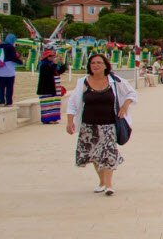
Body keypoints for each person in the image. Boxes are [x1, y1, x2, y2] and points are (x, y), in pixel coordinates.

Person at [65, 53, 138, 196]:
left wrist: (125, 106)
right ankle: (102, 182)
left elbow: (131, 93)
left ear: (105, 65)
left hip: (109, 124)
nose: (96, 65)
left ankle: (109, 185)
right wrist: (69, 121)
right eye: (93, 63)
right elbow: (72, 103)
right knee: (94, 155)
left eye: (99, 62)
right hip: (88, 125)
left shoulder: (115, 81)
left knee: (108, 153)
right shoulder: (83, 82)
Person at [36, 48, 67, 124]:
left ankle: (53, 118)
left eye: (53, 56)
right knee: (47, 105)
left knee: (54, 104)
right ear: (46, 57)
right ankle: (48, 119)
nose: (52, 57)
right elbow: (49, 72)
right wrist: (55, 64)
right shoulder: (43, 65)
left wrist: (62, 63)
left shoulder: (52, 65)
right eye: (50, 56)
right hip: (46, 88)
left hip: (53, 87)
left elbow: (60, 71)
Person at [0, 33, 24, 107]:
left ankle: (1, 102)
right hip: (7, 70)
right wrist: (20, 62)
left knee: (1, 86)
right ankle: (9, 102)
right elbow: (13, 58)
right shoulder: (10, 47)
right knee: (9, 87)